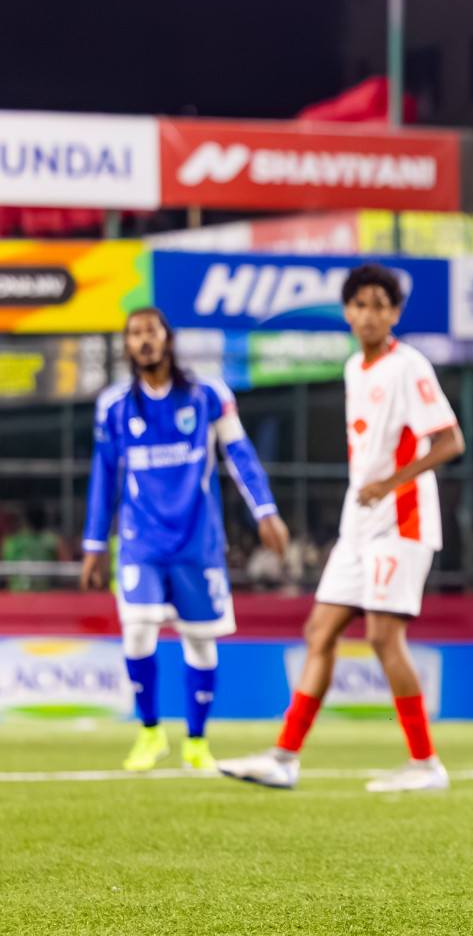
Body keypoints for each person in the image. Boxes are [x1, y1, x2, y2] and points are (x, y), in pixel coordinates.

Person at [218, 265, 465, 793]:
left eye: (380, 304)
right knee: (319, 631)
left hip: (403, 520)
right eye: (359, 304)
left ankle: (426, 765)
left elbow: (450, 441)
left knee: (382, 635)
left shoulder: (409, 365)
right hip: (359, 524)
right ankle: (284, 757)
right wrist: (367, 495)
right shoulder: (355, 367)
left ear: (395, 313)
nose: (368, 314)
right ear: (347, 313)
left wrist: (389, 484)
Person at [81, 307, 288, 771]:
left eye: (151, 331)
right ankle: (150, 732)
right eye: (135, 333)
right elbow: (104, 475)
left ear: (167, 339)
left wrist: (265, 511)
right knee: (137, 629)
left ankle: (196, 740)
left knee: (200, 640)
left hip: (197, 542)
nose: (144, 340)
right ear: (127, 346)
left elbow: (240, 453)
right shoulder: (113, 405)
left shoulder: (209, 395)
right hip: (140, 540)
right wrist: (93, 544)